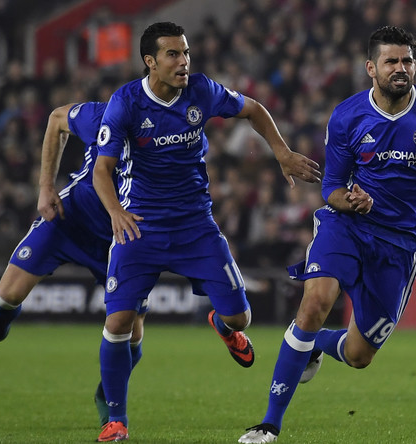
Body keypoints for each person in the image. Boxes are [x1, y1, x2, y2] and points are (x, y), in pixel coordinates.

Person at [239, 26, 416, 443]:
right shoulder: (348, 116)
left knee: (359, 355)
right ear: (371, 68)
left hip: (400, 243)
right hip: (347, 226)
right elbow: (331, 186)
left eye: (407, 61)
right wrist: (350, 200)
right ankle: (269, 424)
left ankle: (316, 345)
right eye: (391, 61)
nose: (401, 68)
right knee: (315, 303)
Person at [91, 21, 321, 442]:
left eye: (186, 52)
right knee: (119, 320)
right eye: (173, 54)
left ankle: (223, 325)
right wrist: (115, 212)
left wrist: (282, 153)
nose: (183, 61)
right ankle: (115, 420)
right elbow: (101, 171)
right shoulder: (125, 103)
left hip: (196, 225)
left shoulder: (201, 90)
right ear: (150, 61)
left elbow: (253, 109)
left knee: (241, 316)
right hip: (140, 225)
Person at [0, 101, 148, 427]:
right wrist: (46, 186)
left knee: (132, 334)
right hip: (68, 219)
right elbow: (56, 119)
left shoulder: (171, 137)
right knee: (6, 296)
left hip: (119, 237)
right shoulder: (106, 116)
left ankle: (106, 391)